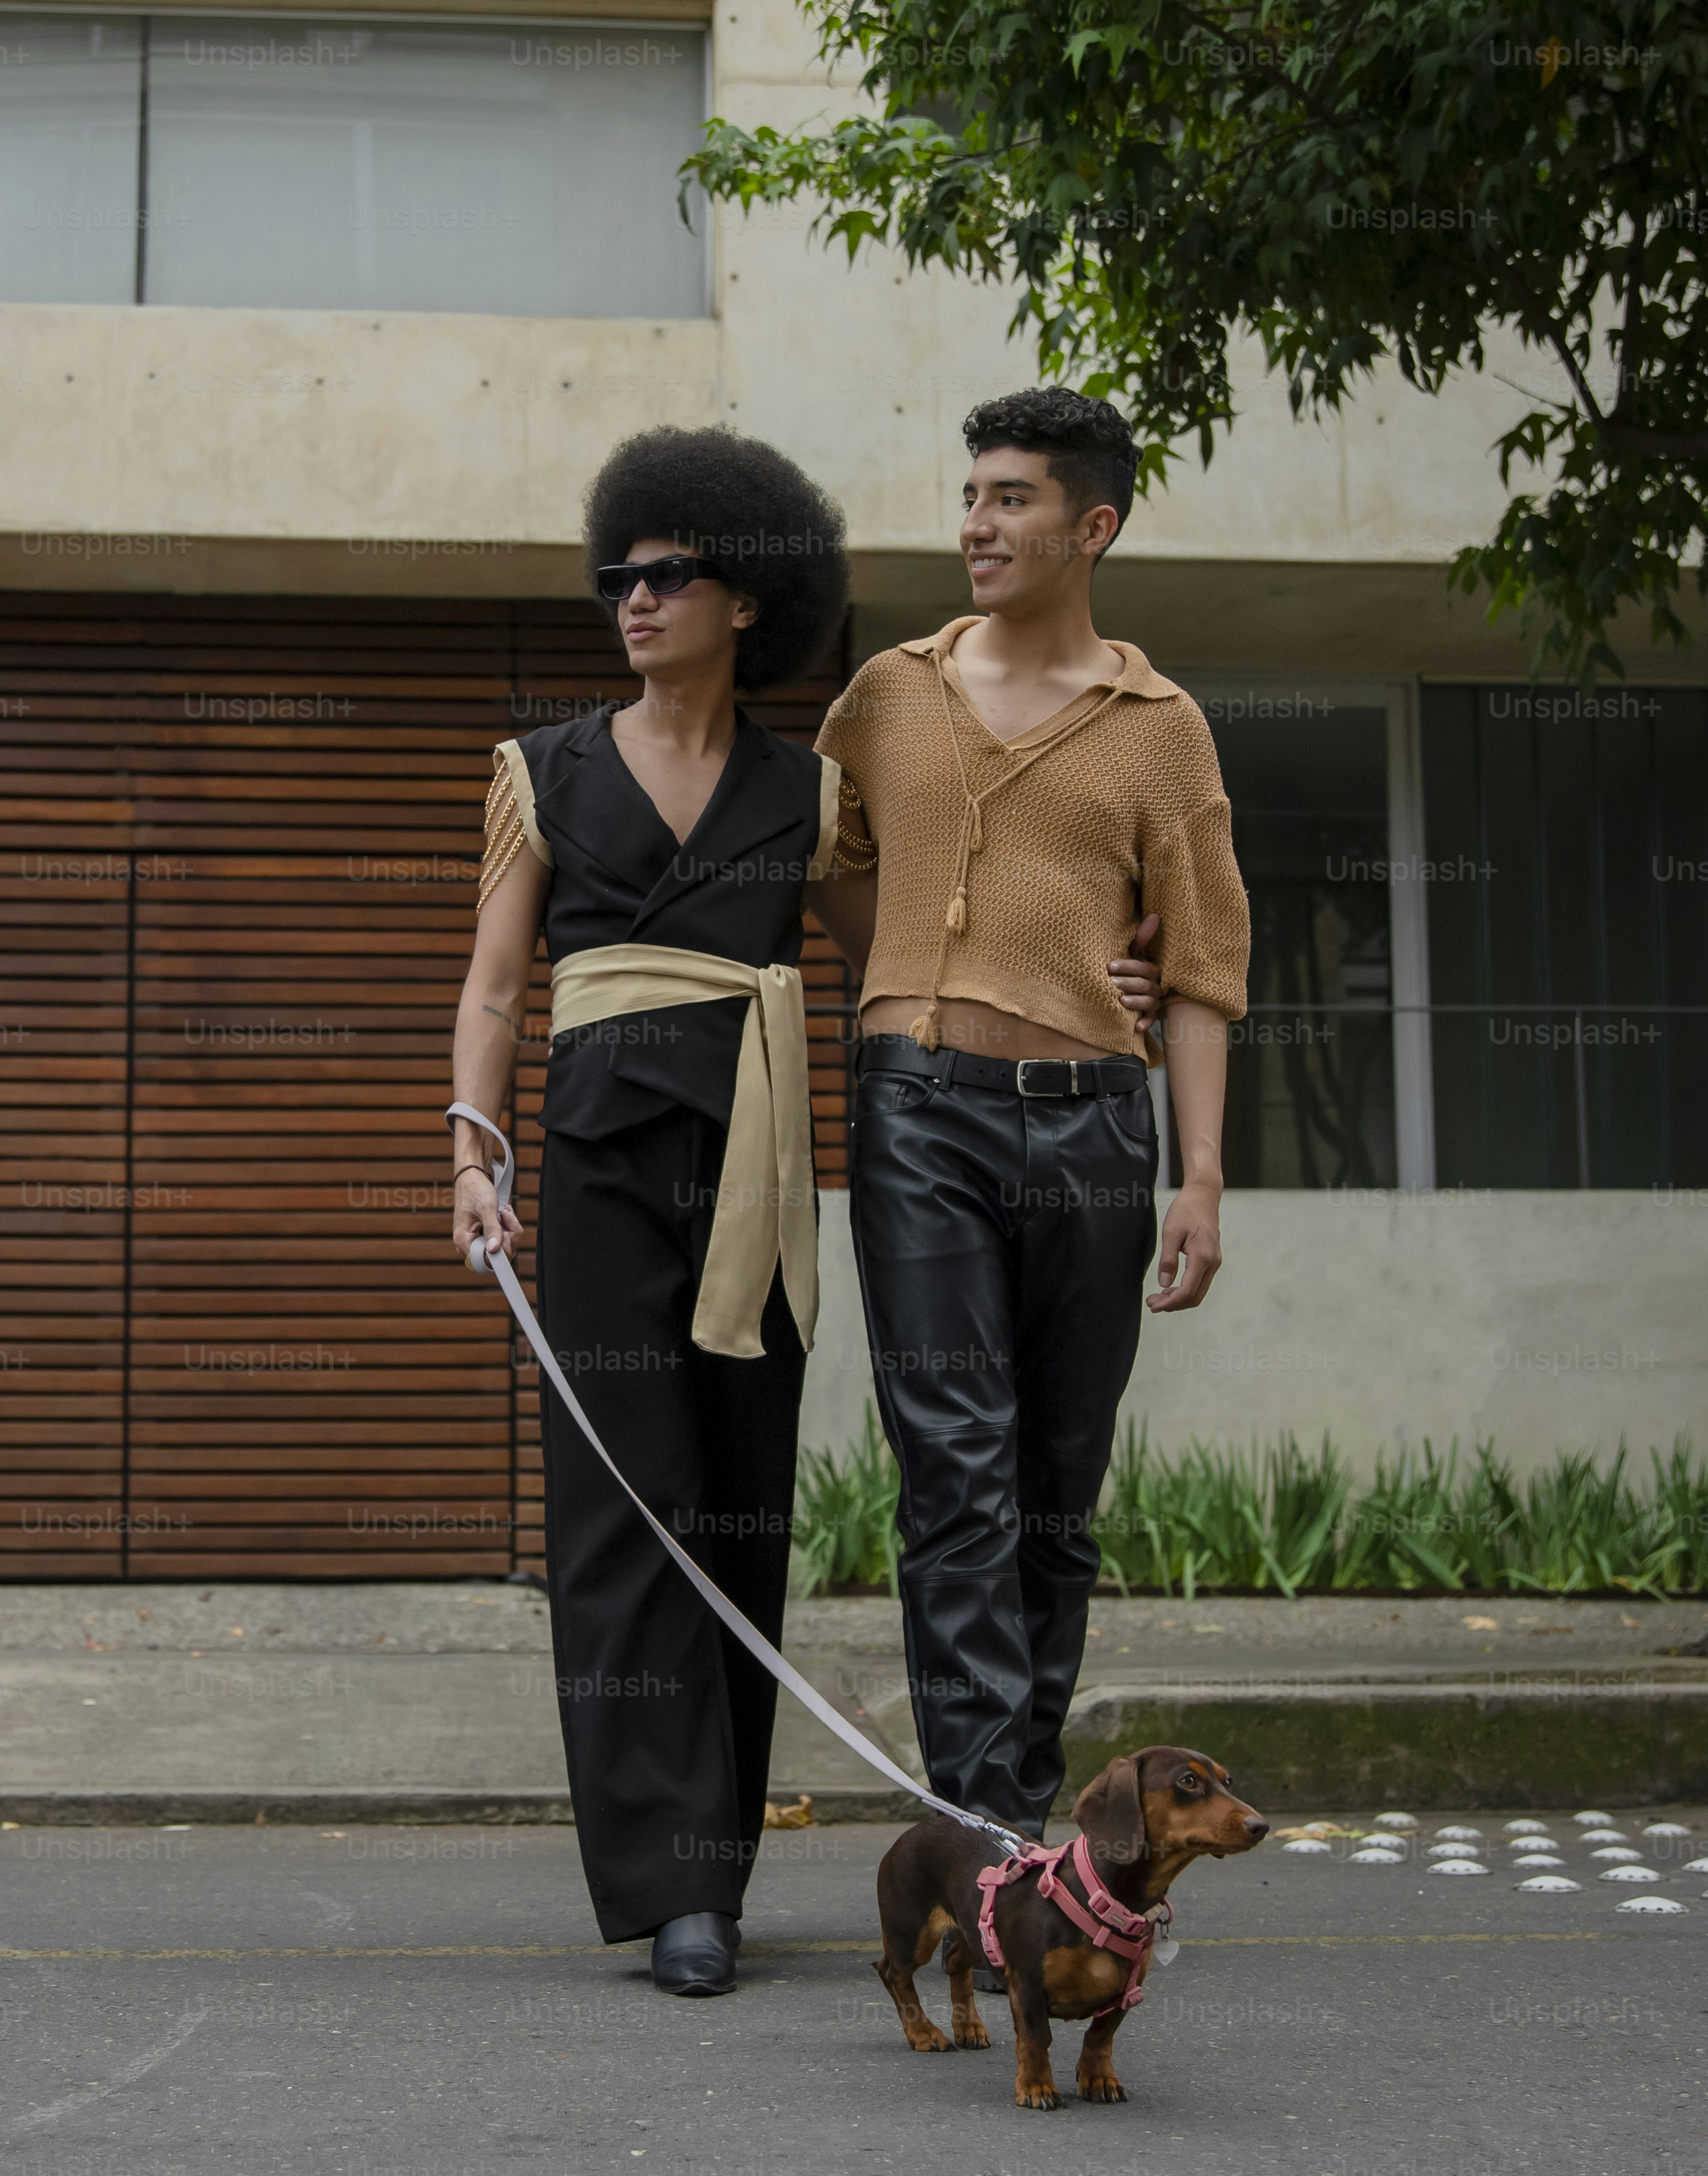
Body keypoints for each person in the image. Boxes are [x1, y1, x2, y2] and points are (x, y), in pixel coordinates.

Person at [446, 426, 1164, 1997]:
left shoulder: (811, 789)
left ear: (747, 594)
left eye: (666, 574)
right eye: (616, 576)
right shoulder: (541, 768)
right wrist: (470, 1153)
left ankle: (726, 1860)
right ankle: (666, 1887)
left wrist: (1101, 981)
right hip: (600, 1174)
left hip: (761, 1174)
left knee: (736, 1510)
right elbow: (497, 986)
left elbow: (904, 953)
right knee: (618, 1518)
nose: (632, 599)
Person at [805, 388, 1251, 1955]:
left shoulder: (1160, 726)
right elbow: (835, 874)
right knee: (954, 1479)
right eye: (970, 494)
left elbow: (1198, 964)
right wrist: (915, 998)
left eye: (1009, 499)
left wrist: (1198, 1176)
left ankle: (1035, 1801)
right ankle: (996, 1841)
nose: (976, 524)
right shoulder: (885, 692)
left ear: (1092, 526)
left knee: (1056, 1488)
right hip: (917, 1114)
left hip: (1092, 1130)